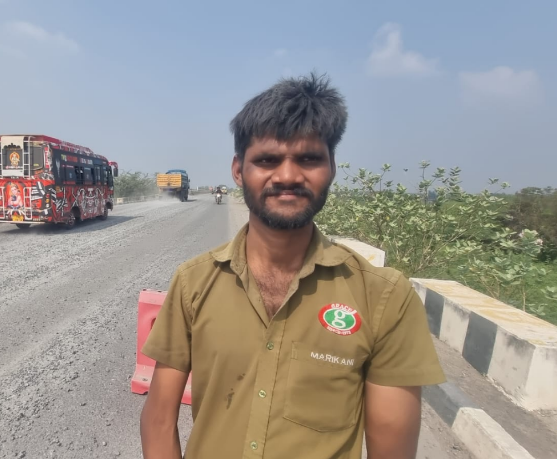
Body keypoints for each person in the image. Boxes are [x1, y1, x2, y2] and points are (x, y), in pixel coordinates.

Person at [139, 72, 446, 459]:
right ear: (239, 170)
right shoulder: (193, 283)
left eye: (308, 159)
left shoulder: (384, 298)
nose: (287, 176)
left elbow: (392, 446)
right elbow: (159, 420)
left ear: (332, 167)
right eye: (267, 160)